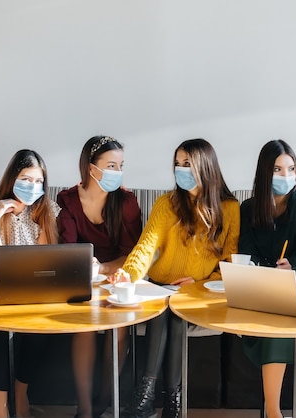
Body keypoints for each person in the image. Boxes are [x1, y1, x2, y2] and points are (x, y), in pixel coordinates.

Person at [112, 138, 240, 418]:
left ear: (205, 168)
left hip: (198, 290)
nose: (180, 170)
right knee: (162, 310)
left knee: (178, 312)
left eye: (188, 164)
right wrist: (128, 273)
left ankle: (170, 399)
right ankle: (149, 396)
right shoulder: (166, 203)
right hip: (161, 285)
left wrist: (200, 285)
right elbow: (146, 245)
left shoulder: (229, 209)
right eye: (178, 164)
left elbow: (229, 263)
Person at [238, 139, 296, 418]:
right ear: (265, 172)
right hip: (265, 286)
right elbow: (246, 254)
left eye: (291, 169)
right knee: (276, 322)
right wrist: (267, 273)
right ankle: (274, 410)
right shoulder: (248, 207)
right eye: (278, 169)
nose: (286, 176)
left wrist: (294, 270)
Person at [0, 149, 60, 417]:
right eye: (26, 179)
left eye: (38, 181)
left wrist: (15, 275)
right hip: (0, 294)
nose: (33, 187)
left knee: (43, 328)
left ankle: (21, 390)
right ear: (12, 179)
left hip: (35, 291)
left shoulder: (46, 211)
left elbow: (45, 262)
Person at [57, 136, 142, 418]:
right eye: (110, 165)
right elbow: (68, 250)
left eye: (121, 165)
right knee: (84, 327)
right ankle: (84, 409)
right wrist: (86, 268)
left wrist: (103, 269)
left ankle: (106, 400)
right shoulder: (67, 200)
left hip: (116, 278)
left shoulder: (127, 202)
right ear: (91, 167)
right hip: (80, 280)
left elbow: (131, 254)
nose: (117, 172)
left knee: (118, 329)